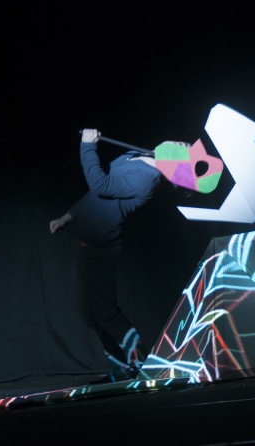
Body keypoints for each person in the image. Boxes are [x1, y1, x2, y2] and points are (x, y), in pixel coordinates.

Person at [50, 128, 164, 382]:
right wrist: (67, 217)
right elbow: (99, 194)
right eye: (179, 142)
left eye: (182, 147)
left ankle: (143, 368)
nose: (177, 143)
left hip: (100, 251)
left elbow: (100, 185)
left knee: (107, 314)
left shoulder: (147, 178)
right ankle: (123, 369)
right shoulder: (139, 155)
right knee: (89, 316)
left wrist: (87, 146)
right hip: (84, 247)